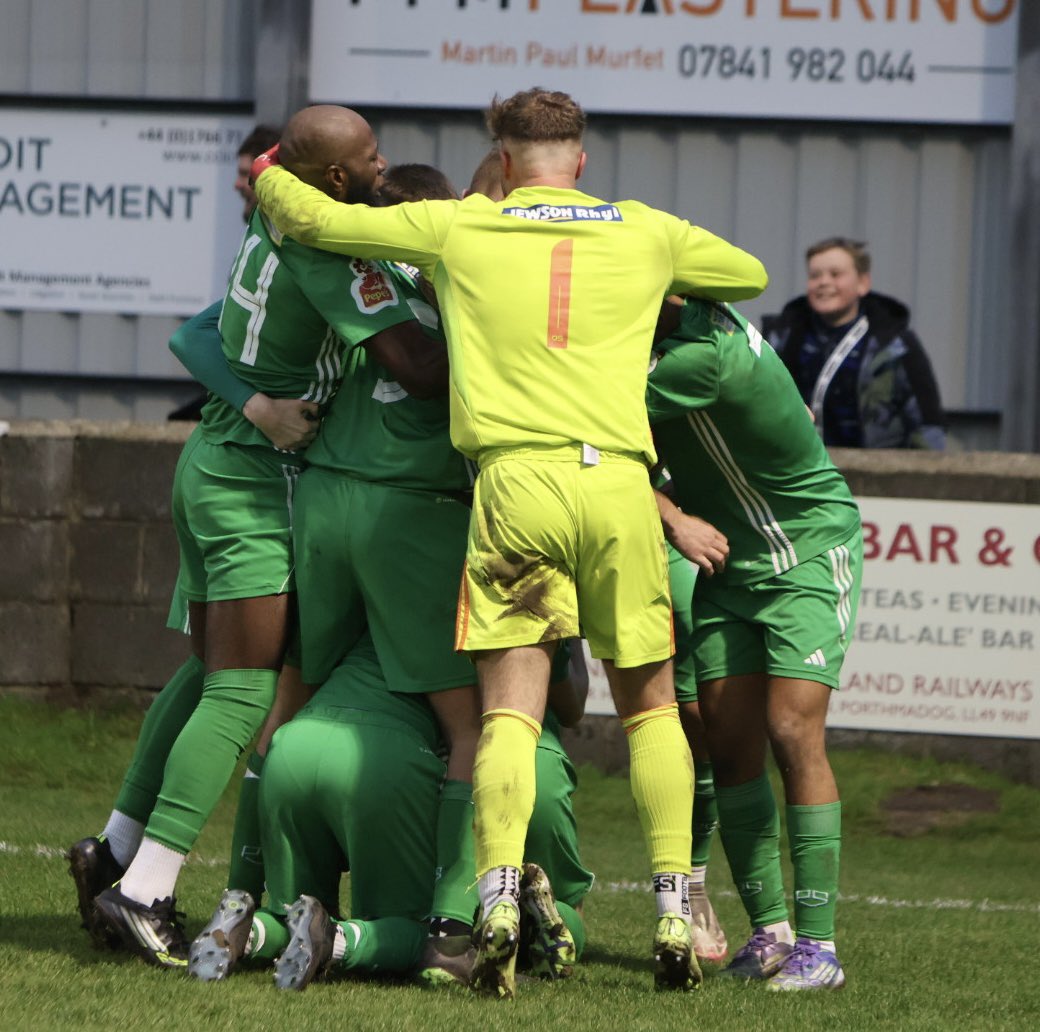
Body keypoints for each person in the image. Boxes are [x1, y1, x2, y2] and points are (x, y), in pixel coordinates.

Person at [251, 88, 768, 998]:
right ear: (581, 156)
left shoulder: (461, 226)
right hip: (616, 483)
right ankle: (673, 905)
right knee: (649, 707)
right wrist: (657, 276)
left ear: (502, 148)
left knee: (506, 715)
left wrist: (268, 179)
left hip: (514, 485)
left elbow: (318, 219)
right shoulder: (646, 228)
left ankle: (491, 901)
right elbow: (750, 274)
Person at [77, 106, 442, 969]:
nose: (381, 162)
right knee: (244, 693)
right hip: (251, 481)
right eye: (368, 156)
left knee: (208, 673)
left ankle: (116, 846)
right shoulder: (332, 253)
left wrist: (251, 401)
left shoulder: (273, 214)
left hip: (211, 457)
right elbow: (419, 370)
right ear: (334, 184)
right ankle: (148, 892)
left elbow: (192, 333)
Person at [647, 298, 862, 991]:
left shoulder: (697, 355)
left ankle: (819, 948)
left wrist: (672, 515)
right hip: (731, 562)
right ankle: (770, 934)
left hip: (805, 549)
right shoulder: (698, 324)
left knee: (791, 727)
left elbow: (583, 431)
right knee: (728, 738)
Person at [186, 631, 592, 992]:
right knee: (430, 932)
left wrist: (244, 878)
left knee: (292, 911)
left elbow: (283, 696)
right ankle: (339, 938)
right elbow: (560, 705)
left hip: (294, 747)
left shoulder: (363, 599)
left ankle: (252, 928)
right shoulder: (497, 609)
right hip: (474, 765)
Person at [762, 237, 946, 449]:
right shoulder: (782, 337)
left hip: (878, 470)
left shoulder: (896, 344)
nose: (824, 282)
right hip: (801, 466)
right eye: (815, 275)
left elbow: (927, 420)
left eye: (835, 274)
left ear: (863, 283)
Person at [169, 124, 284, 423]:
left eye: (246, 174)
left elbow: (188, 338)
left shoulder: (289, 254)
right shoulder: (257, 243)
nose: (236, 184)